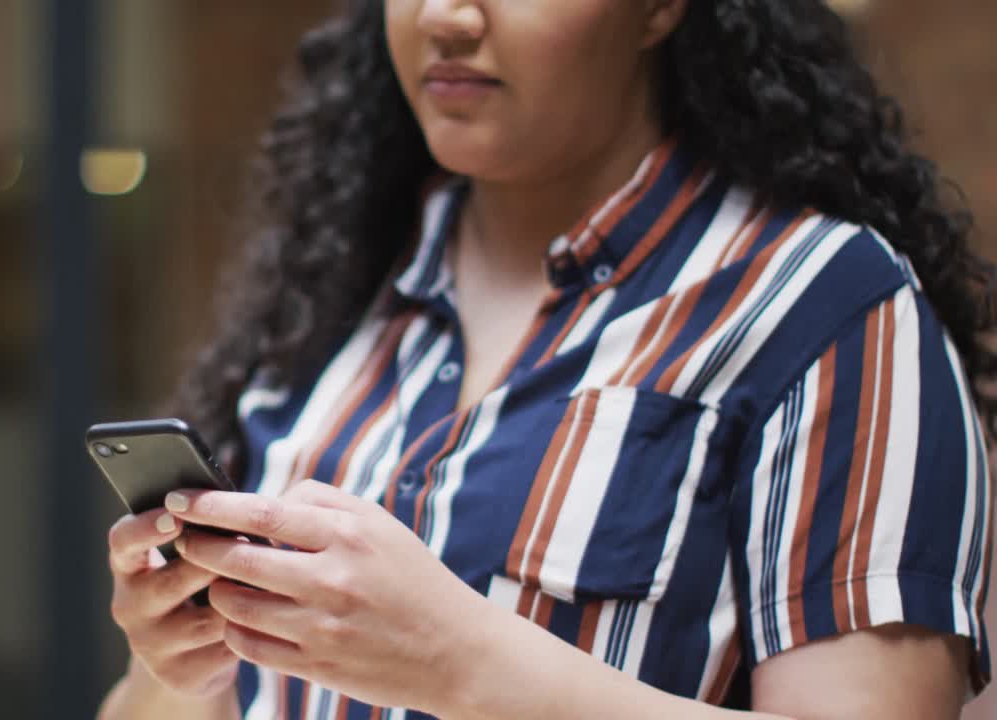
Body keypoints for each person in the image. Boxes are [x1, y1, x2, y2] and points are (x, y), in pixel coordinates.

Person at [99, 1, 996, 718]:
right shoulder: (338, 284)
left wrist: (462, 665)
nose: (446, 16)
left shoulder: (823, 305)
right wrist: (179, 672)